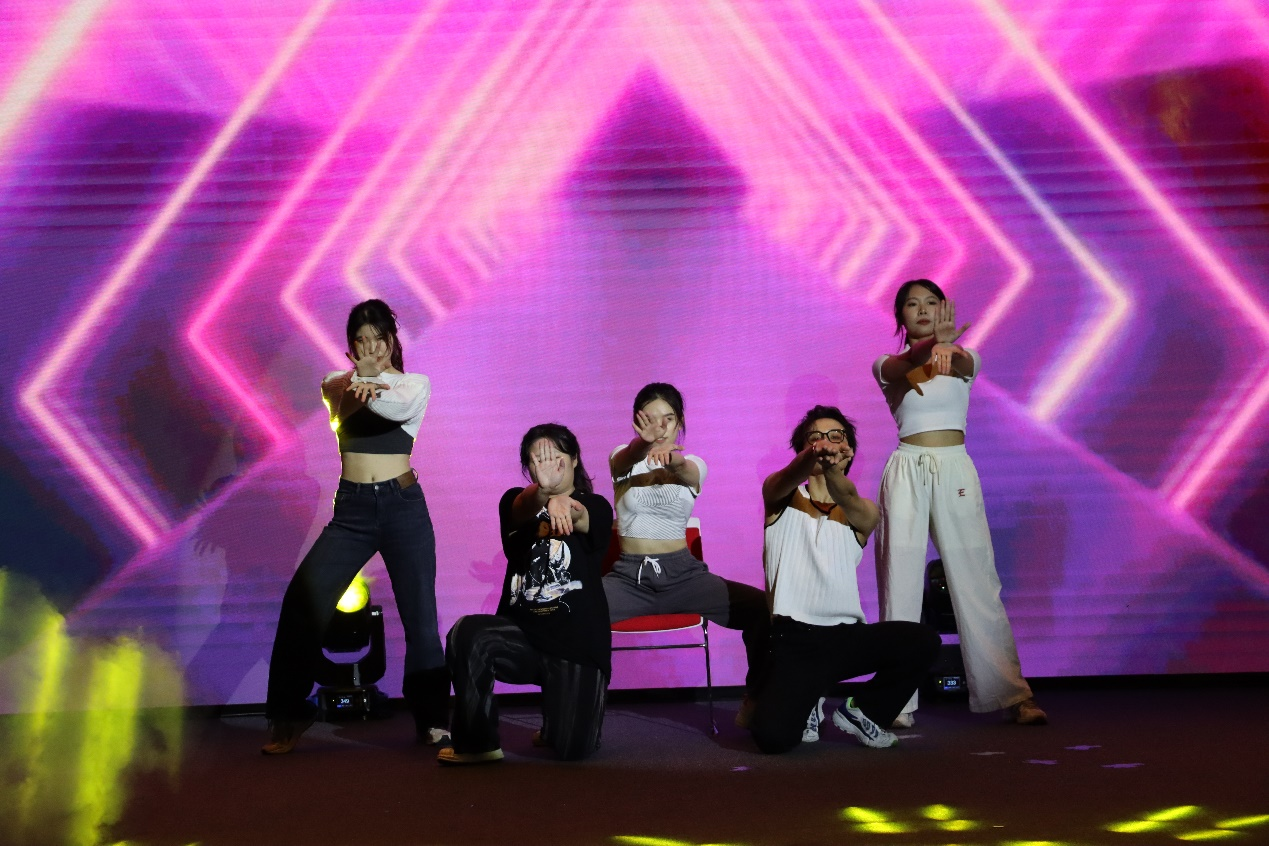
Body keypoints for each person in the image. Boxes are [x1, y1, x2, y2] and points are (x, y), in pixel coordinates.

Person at [262, 299, 449, 754]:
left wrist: (370, 381)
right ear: (350, 348)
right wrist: (360, 379)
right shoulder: (336, 382)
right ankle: (290, 714)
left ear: (392, 341)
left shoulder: (414, 385)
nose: (370, 348)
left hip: (404, 507)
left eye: (378, 339)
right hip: (353, 512)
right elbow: (341, 397)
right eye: (360, 341)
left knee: (421, 619)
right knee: (303, 599)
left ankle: (433, 721)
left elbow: (395, 410)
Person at [873, 279, 1045, 727]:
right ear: (900, 316)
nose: (922, 309)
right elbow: (908, 365)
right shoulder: (887, 364)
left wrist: (946, 346)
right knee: (899, 583)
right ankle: (895, 701)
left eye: (931, 302)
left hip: (955, 470)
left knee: (976, 581)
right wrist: (933, 346)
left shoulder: (968, 359)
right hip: (907, 469)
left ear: (944, 310)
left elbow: (960, 360)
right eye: (912, 304)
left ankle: (1012, 694)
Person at [750, 406, 939, 754]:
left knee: (922, 641)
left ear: (848, 451)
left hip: (844, 637)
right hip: (795, 640)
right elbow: (787, 477)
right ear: (802, 450)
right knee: (773, 739)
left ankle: (862, 711)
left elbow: (847, 497)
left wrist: (832, 470)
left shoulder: (862, 512)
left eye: (835, 437)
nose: (825, 443)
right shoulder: (781, 497)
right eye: (815, 438)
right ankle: (809, 699)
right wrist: (814, 456)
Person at [440, 424, 613, 764]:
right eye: (538, 460)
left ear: (574, 460)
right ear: (528, 468)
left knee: (573, 751)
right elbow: (520, 508)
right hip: (522, 638)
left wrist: (563, 501)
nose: (549, 466)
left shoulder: (598, 505)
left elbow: (581, 516)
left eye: (557, 457)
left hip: (576, 644)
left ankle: (556, 723)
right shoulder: (515, 503)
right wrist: (544, 493)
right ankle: (477, 744)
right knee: (467, 633)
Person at [602, 383, 770, 726]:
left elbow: (687, 471)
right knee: (573, 613)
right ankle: (577, 713)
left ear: (679, 423)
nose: (659, 427)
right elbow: (625, 459)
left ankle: (757, 699)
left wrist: (673, 459)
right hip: (629, 578)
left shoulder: (695, 463)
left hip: (684, 576)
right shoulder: (623, 457)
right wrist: (643, 444)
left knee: (761, 608)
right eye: (651, 419)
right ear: (637, 422)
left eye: (668, 419)